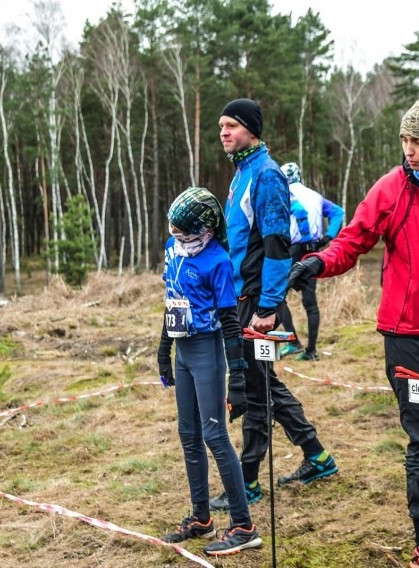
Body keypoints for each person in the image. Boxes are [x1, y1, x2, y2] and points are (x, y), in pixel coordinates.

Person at [289, 99, 419, 568]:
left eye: (418, 141)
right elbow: (352, 241)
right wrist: (317, 263)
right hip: (407, 338)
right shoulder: (390, 190)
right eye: (404, 140)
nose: (409, 150)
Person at [210, 98, 338, 514]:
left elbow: (277, 246)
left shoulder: (265, 175)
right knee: (263, 382)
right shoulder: (244, 171)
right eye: (221, 126)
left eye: (231, 125)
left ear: (252, 129)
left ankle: (246, 483)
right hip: (240, 297)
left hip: (256, 303)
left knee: (253, 388)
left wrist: (268, 307)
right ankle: (317, 456)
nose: (224, 132)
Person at [156, 187, 262, 556]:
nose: (176, 238)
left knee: (214, 436)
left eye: (182, 231)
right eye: (172, 231)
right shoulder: (173, 250)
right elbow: (172, 299)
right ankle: (201, 517)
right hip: (182, 351)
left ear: (203, 229)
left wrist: (238, 379)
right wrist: (163, 349)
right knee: (188, 434)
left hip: (207, 351)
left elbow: (231, 324)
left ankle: (244, 526)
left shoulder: (217, 261)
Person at [276, 162, 344, 361]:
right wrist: (328, 236)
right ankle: (311, 351)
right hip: (313, 250)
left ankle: (293, 342)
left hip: (291, 248)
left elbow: (297, 212)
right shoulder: (315, 196)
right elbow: (338, 212)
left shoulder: (284, 194)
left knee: (278, 296)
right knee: (310, 302)